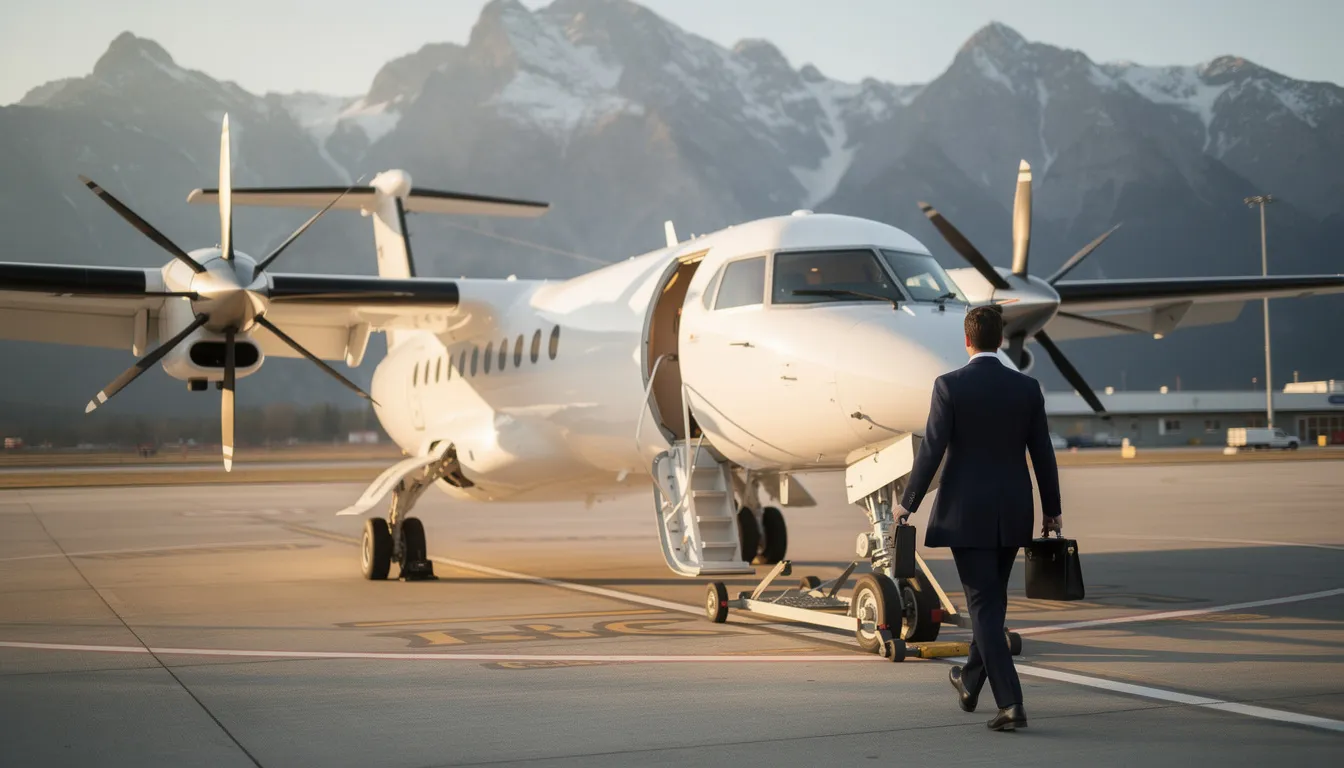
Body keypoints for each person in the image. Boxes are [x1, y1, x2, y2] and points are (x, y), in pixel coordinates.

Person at [896, 305, 1062, 732]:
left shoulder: (950, 386)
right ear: (1001, 340)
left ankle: (1011, 703)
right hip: (1013, 513)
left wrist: (907, 503)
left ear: (966, 340)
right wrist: (1053, 511)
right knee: (992, 601)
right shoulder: (1027, 388)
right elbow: (1042, 454)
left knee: (984, 607)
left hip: (966, 514)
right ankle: (969, 681)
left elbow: (931, 450)